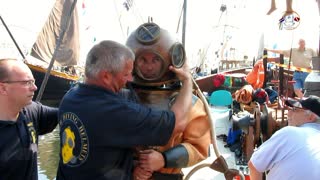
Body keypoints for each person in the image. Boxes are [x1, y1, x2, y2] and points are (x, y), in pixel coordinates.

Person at [56, 40, 193, 180]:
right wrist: (188, 81)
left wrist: (131, 167)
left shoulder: (70, 97)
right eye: (126, 74)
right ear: (106, 76)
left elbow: (99, 148)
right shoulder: (115, 112)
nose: (130, 79)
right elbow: (178, 122)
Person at [124, 22, 211, 180]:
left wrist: (164, 160)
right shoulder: (121, 97)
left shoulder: (189, 103)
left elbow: (199, 147)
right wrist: (133, 166)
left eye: (155, 60)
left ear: (171, 59)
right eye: (143, 60)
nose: (149, 67)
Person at [0, 58, 58, 180]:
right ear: (3, 88)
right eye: (27, 82)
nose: (35, 87)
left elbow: (67, 112)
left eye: (33, 81)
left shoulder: (31, 111)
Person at [248, 95, 320, 180]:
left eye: (294, 110)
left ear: (311, 117)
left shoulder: (291, 133)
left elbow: (254, 165)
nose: (289, 113)